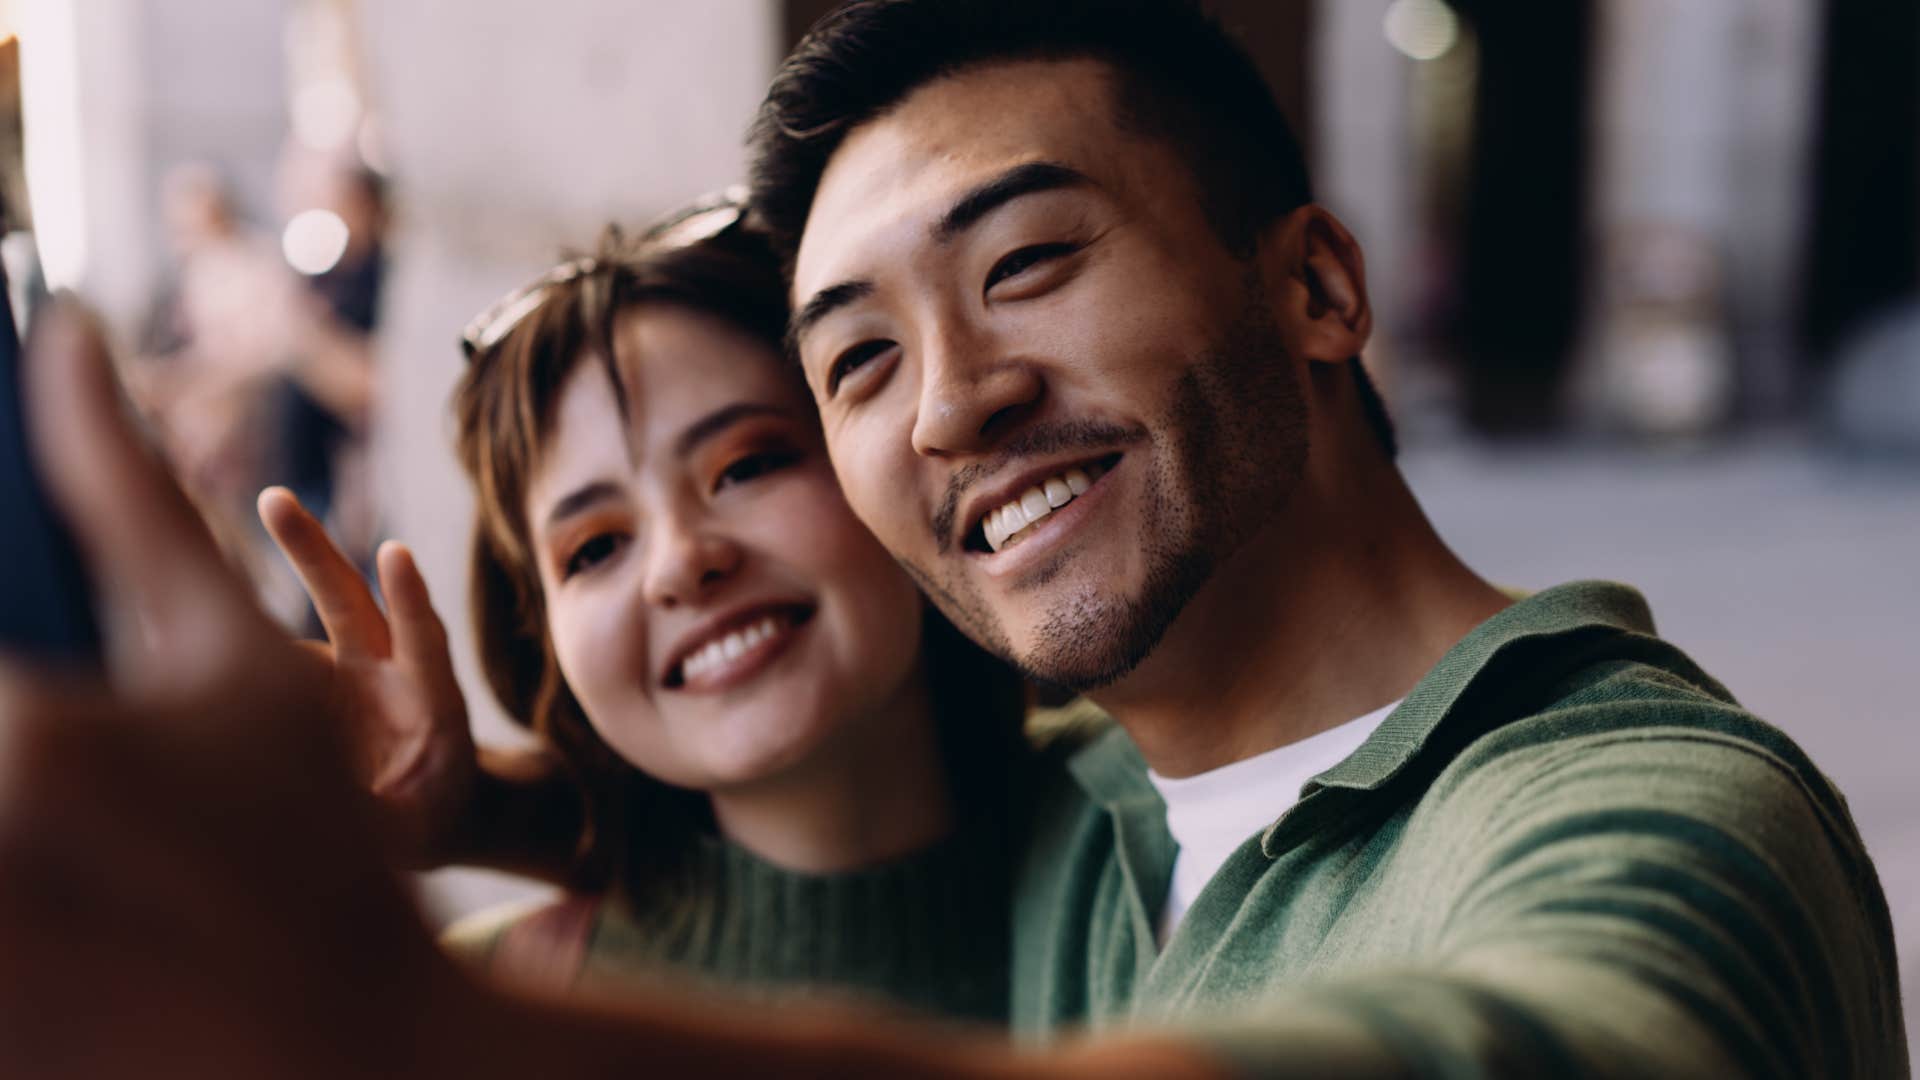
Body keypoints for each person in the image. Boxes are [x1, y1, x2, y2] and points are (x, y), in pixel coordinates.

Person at [0, 1, 1903, 1075]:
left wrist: (391, 1025)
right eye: (857, 361)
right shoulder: (1081, 815)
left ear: (1318, 286)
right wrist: (478, 811)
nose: (948, 405)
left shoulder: (1659, 810)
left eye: (1027, 264)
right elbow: (826, 848)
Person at [256, 203, 1021, 1016]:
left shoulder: (1118, 821)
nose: (682, 563)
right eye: (595, 548)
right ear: (545, 648)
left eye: (747, 466)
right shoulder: (478, 1016)